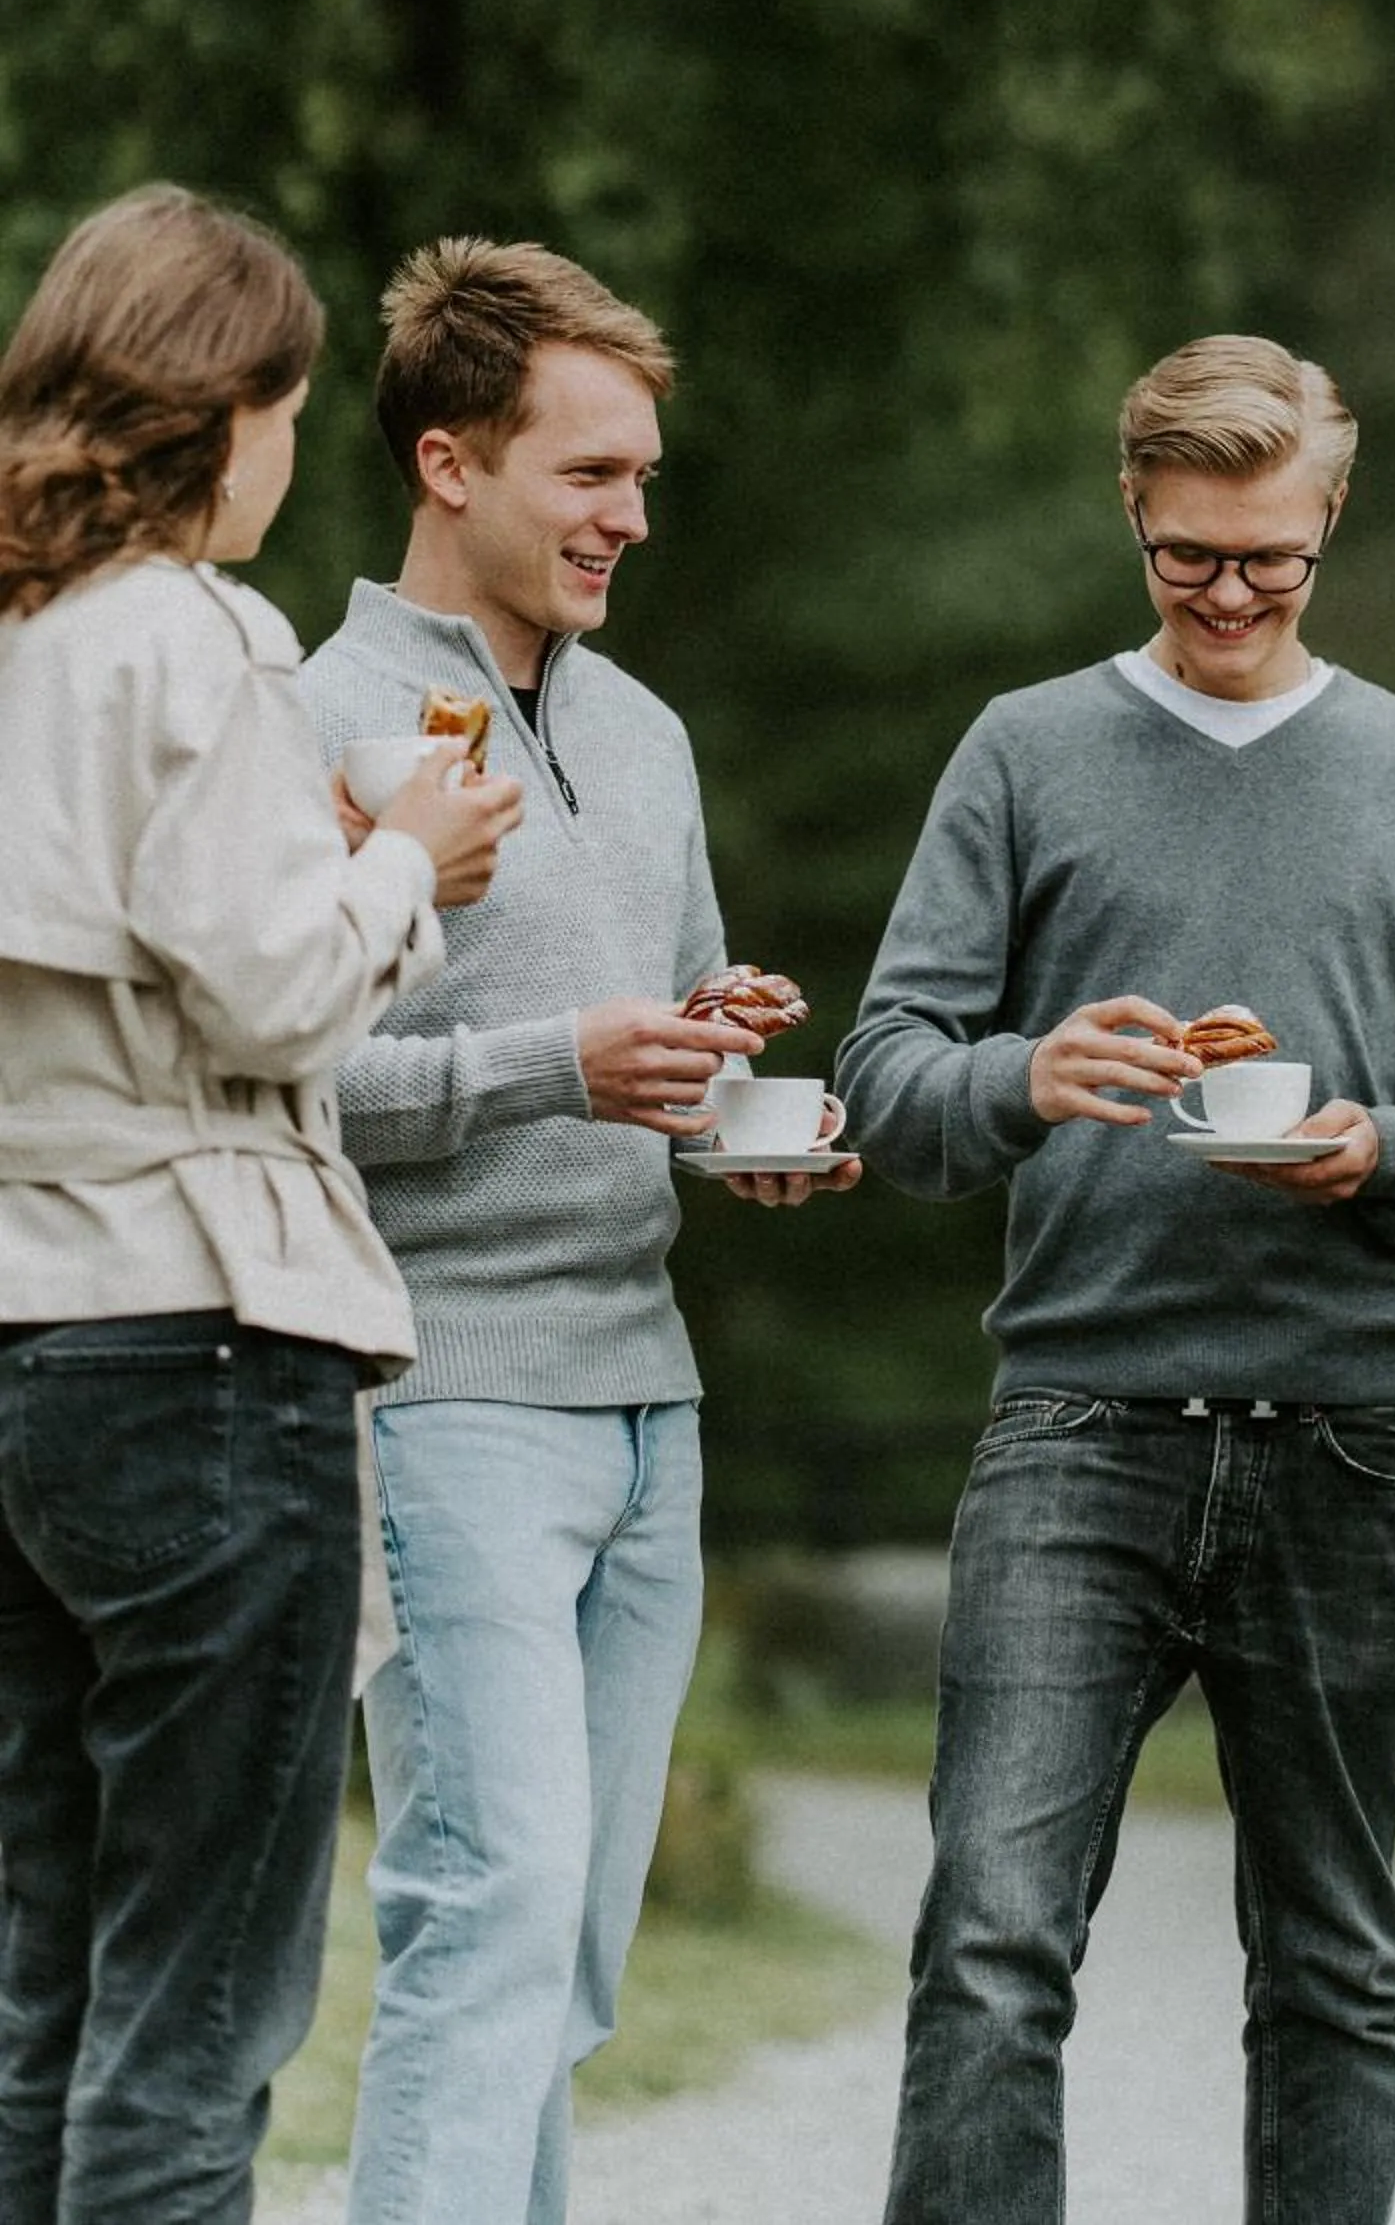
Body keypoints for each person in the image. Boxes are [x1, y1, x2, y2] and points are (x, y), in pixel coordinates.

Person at [836, 332, 1395, 2225]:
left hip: (1344, 1432)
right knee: (990, 1950)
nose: (1229, 596)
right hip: (1078, 1424)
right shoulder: (1025, 749)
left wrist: (1371, 1152)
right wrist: (1028, 1073)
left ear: (1327, 517)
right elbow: (885, 1084)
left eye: (1269, 559)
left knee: (1332, 1966)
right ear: (1133, 517)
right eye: (1186, 559)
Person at [298, 238, 859, 2225]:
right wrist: (559, 1062)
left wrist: (736, 1116)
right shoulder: (315, 717)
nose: (632, 515)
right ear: (452, 464)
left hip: (649, 1409)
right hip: (438, 1401)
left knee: (568, 1968)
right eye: (590, 474)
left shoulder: (644, 734)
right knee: (491, 1912)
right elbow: (271, 1084)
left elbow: (669, 1050)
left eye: (642, 476)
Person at [0, 185, 520, 2223]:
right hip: (197, 1328)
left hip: (17, 1328)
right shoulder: (201, 635)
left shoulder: (15, 636)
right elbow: (278, 988)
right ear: (228, 413)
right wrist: (404, 863)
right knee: (202, 1994)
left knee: (42, 1960)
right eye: (290, 413)